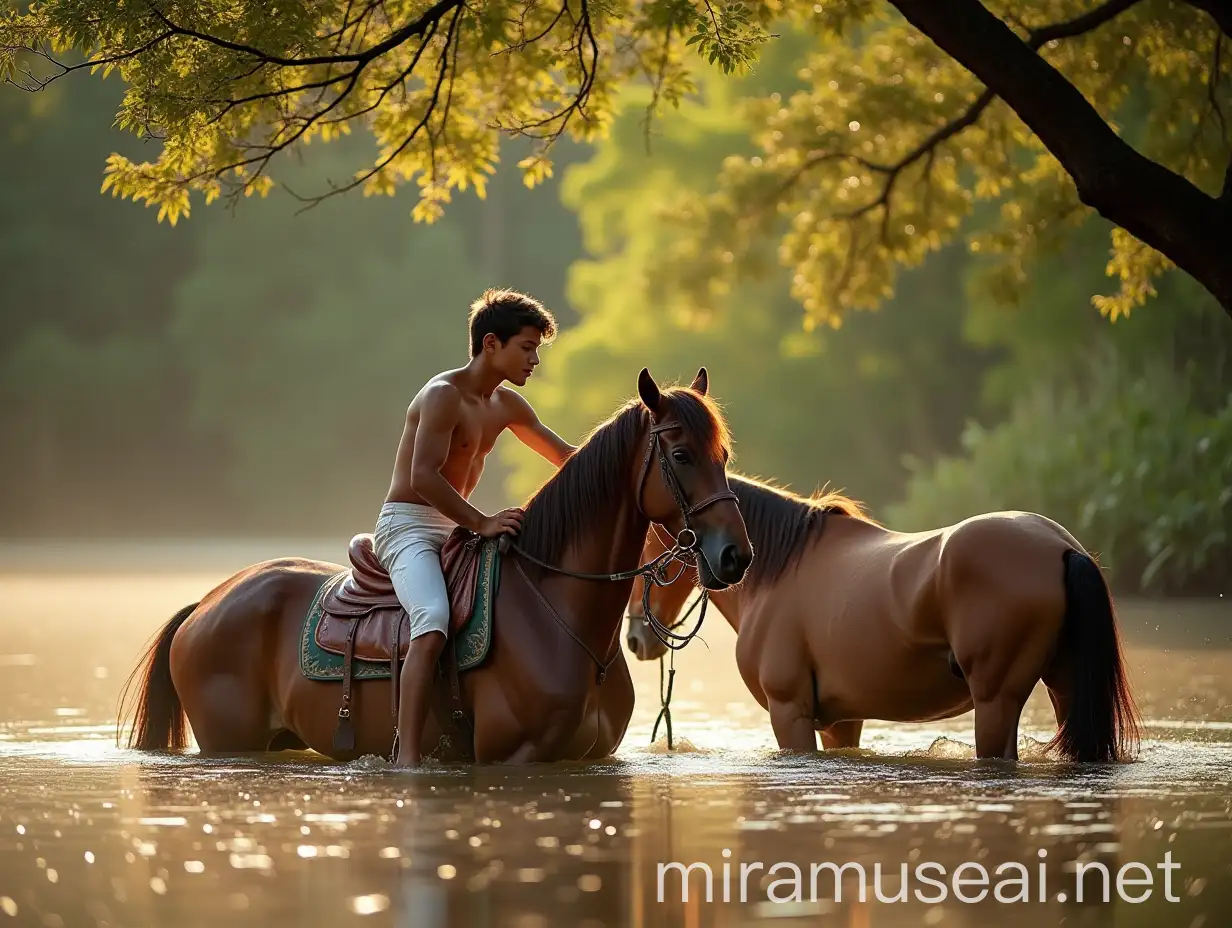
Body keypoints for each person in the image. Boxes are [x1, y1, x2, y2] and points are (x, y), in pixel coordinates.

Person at [376, 288, 575, 767]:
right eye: (526, 348)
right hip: (408, 526)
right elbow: (423, 477)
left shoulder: (507, 408)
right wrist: (483, 522)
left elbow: (567, 460)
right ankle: (406, 758)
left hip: (456, 527)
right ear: (491, 344)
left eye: (536, 351)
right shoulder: (443, 396)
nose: (534, 360)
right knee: (432, 622)